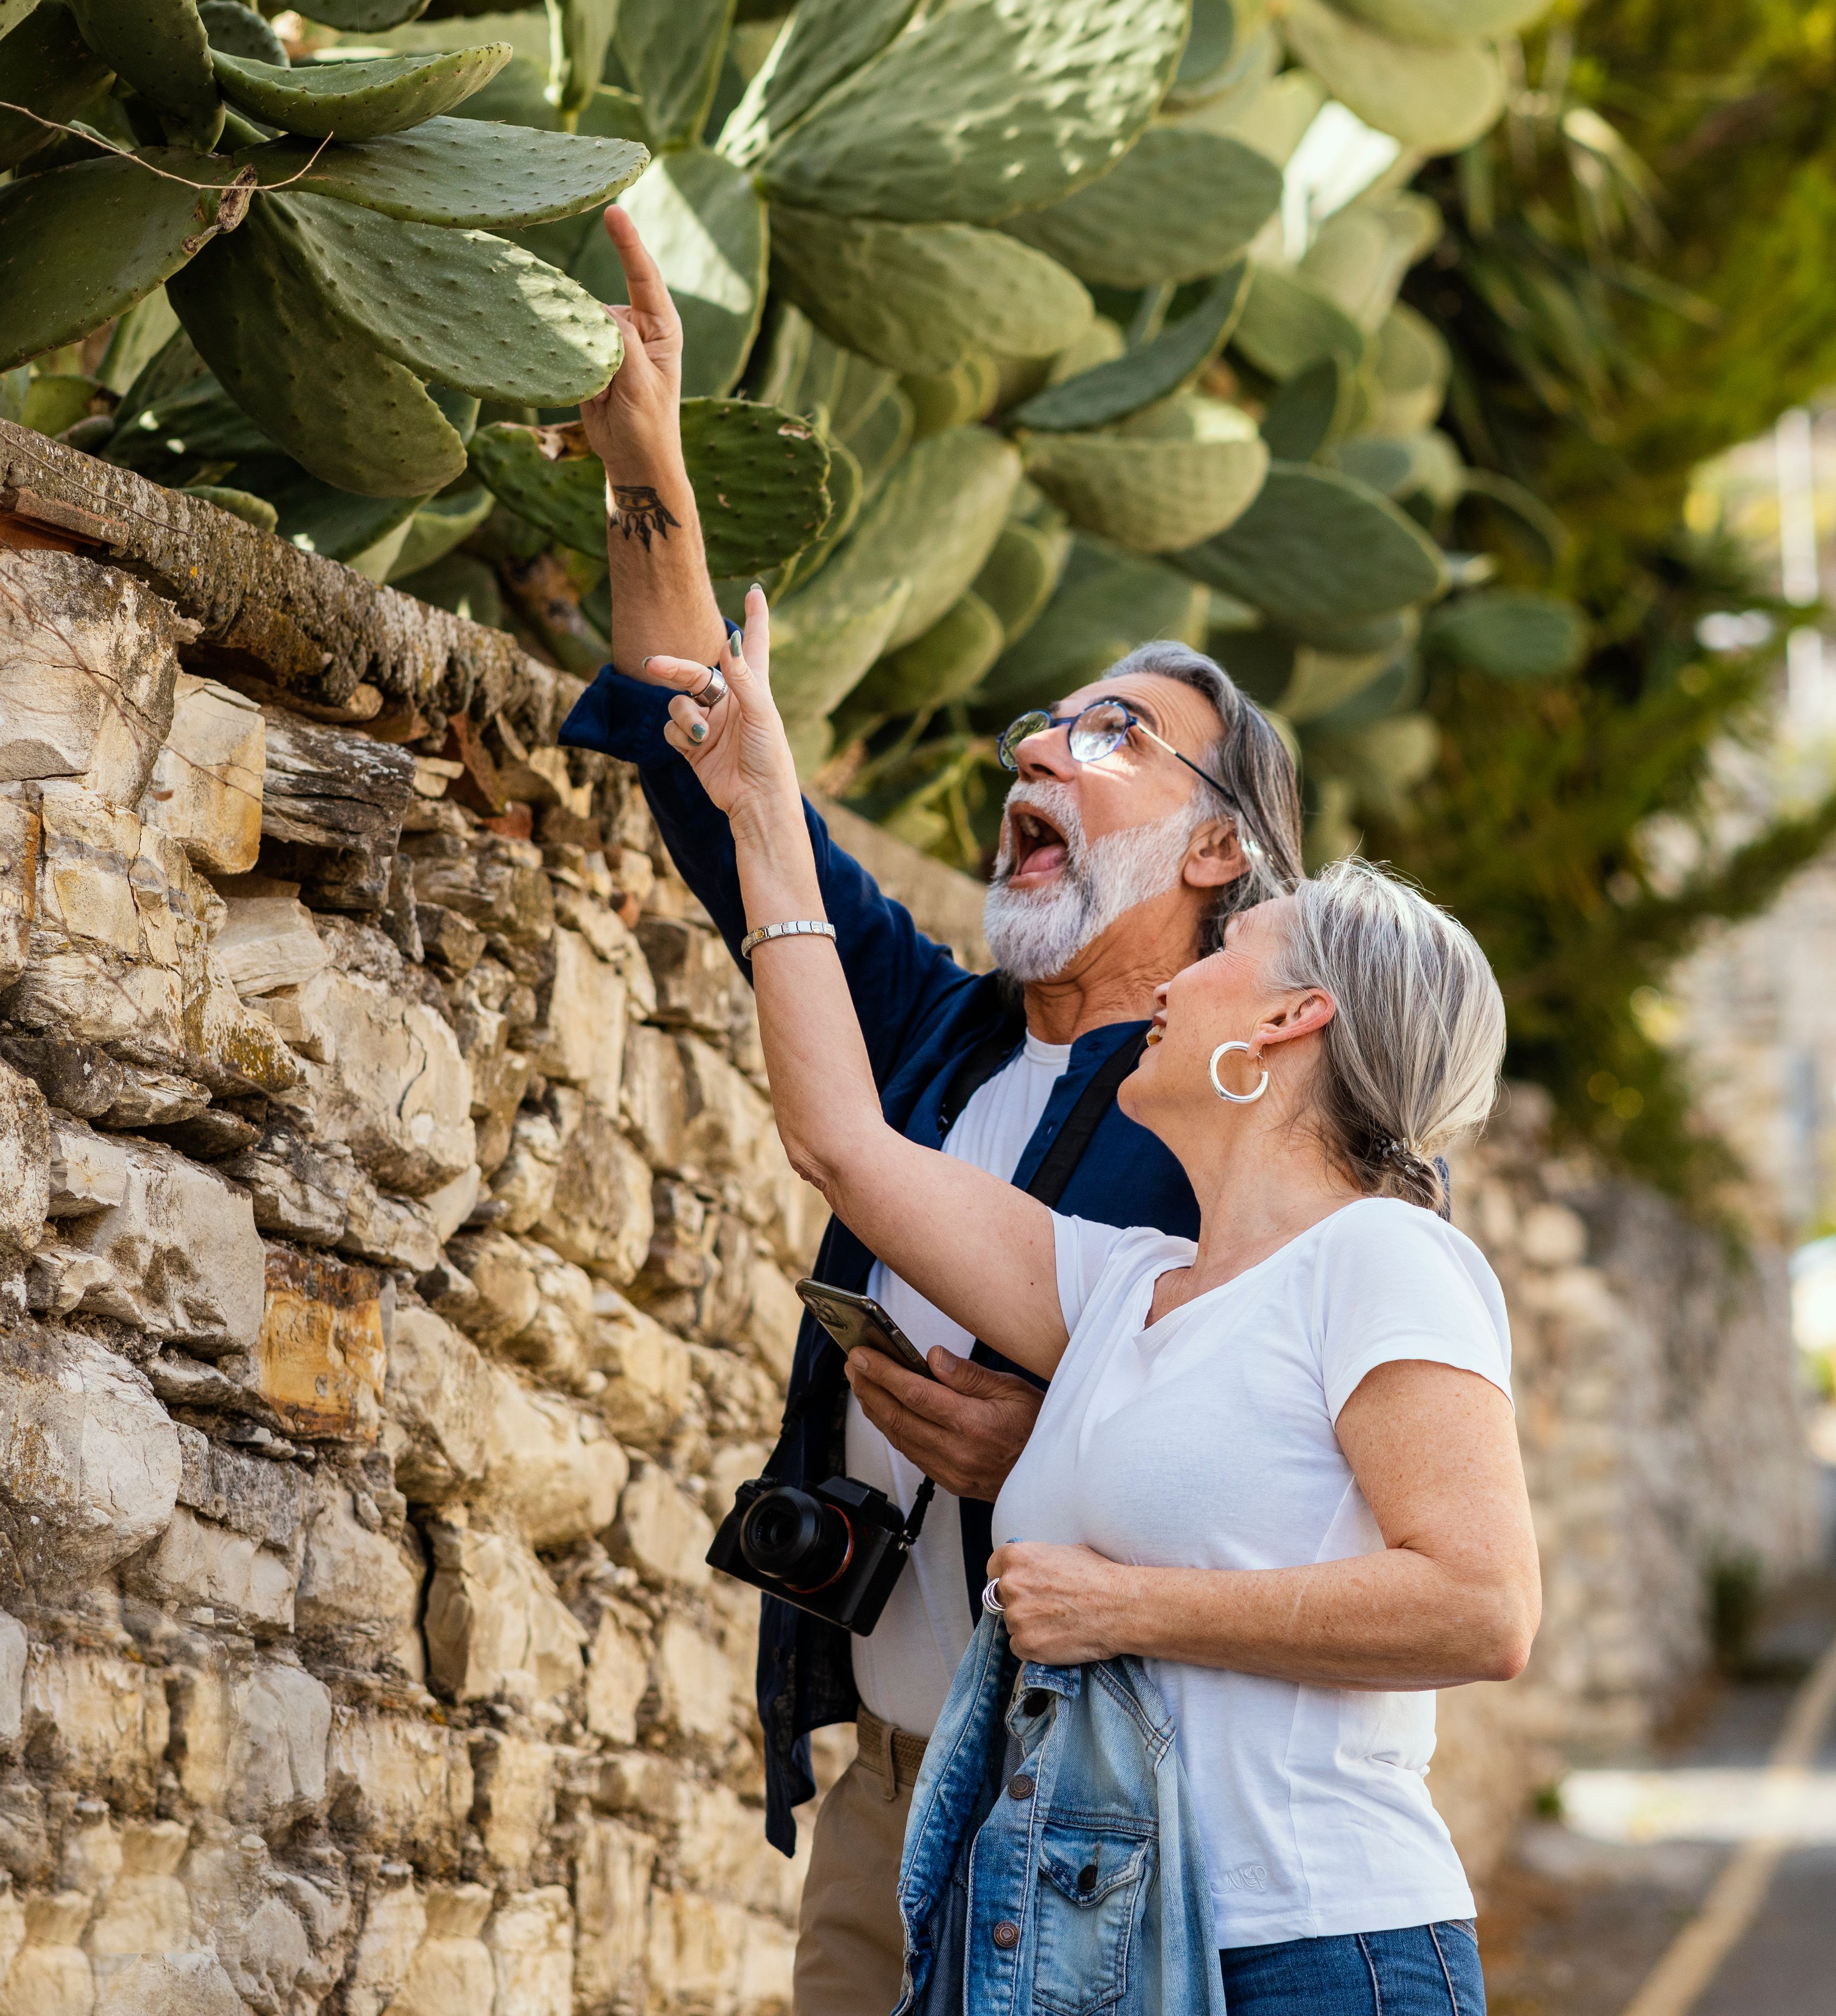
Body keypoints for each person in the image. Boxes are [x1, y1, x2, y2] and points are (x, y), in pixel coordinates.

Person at [551, 208, 1308, 2015]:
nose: (1038, 747)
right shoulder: (935, 1034)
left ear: (1220, 848)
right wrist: (649, 456)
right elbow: (705, 752)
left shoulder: (1250, 1124)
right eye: (1045, 722)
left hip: (1095, 1806)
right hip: (887, 1784)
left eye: (1113, 736)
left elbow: (1301, 1467)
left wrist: (1039, 1445)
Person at [646, 587, 1541, 2016]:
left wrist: (1132, 1604)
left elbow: (1484, 1607)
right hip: (1104, 1931)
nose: (1198, 967)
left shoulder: (1387, 1261)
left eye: (1241, 949)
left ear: (1287, 1022)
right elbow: (842, 1145)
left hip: (1325, 1951)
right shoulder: (1128, 1294)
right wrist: (762, 806)